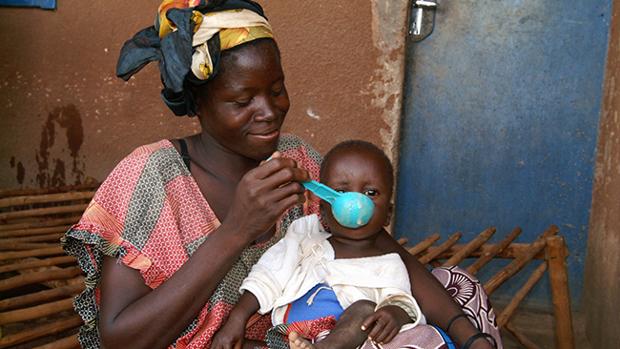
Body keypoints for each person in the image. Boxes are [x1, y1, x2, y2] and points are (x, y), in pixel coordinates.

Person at [62, 1, 501, 348]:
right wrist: (235, 230)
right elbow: (118, 338)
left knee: (454, 288)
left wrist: (470, 335)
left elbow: (383, 253)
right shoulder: (150, 178)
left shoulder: (297, 163)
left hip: (309, 336)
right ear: (198, 104)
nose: (270, 112)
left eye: (276, 89)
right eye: (242, 100)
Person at [212, 140, 425, 349]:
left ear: (388, 214)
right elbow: (267, 276)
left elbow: (403, 303)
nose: (354, 203)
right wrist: (237, 319)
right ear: (322, 209)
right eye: (341, 193)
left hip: (348, 341)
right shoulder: (303, 237)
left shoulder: (389, 264)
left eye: (370, 193)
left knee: (366, 309)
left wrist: (394, 314)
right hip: (288, 339)